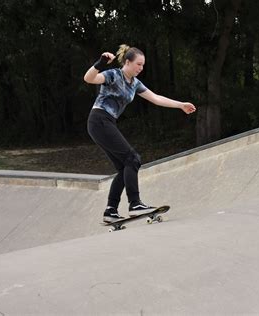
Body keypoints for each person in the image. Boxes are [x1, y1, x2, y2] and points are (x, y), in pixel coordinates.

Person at [84, 44, 196, 223]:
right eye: (138, 64)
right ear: (127, 62)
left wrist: (181, 105)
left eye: (143, 65)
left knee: (124, 168)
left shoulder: (135, 83)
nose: (141, 68)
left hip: (105, 123)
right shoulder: (113, 74)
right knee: (133, 158)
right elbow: (89, 79)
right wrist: (100, 63)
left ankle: (110, 210)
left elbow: (156, 98)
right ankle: (135, 204)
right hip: (99, 119)